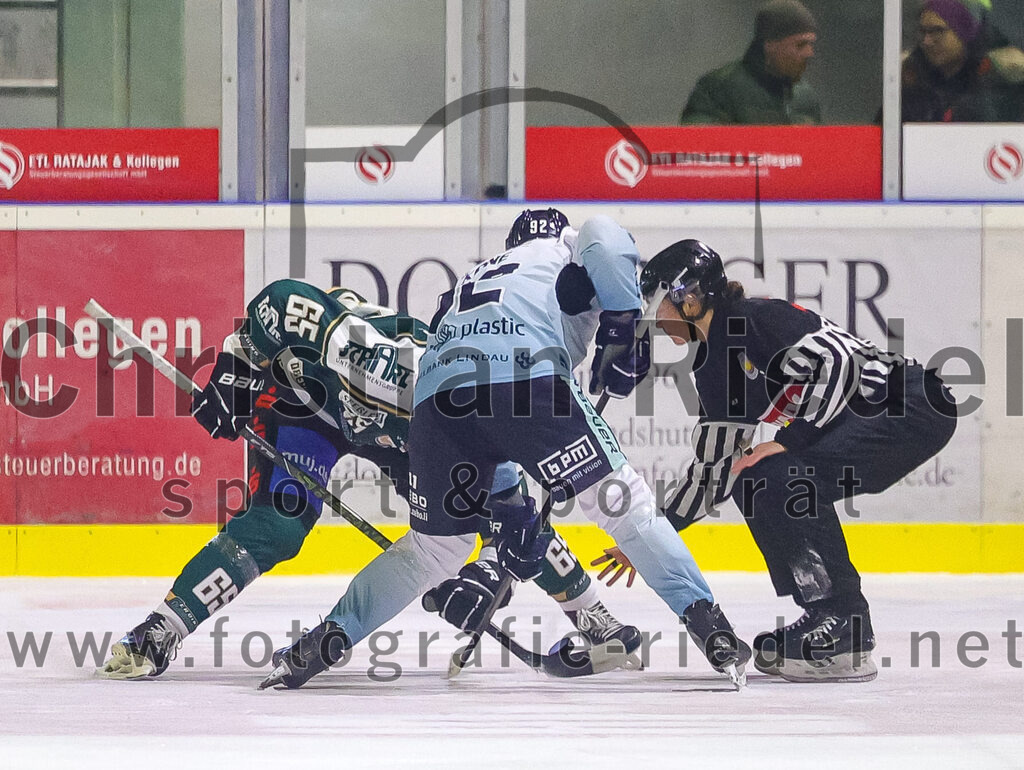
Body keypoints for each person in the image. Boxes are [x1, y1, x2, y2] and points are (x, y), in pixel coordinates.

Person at [99, 284, 639, 680]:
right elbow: (279, 305)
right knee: (280, 523)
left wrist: (481, 573)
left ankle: (593, 615)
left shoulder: (472, 420)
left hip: (405, 434)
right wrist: (233, 376)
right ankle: (160, 629)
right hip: (308, 406)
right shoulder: (365, 352)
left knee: (491, 512)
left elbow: (513, 517)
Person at [380, 209, 749, 689]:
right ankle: (690, 625)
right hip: (527, 387)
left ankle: (587, 615)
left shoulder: (491, 277)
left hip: (454, 403)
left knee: (521, 519)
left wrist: (489, 561)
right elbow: (605, 249)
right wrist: (622, 335)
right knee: (609, 504)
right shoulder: (571, 259)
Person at [633, 238, 957, 683]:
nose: (653, 320)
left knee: (780, 474)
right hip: (884, 413)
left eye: (657, 306)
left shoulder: (758, 319)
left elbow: (837, 362)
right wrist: (654, 537)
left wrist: (791, 439)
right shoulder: (711, 369)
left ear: (689, 297)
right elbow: (714, 471)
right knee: (757, 477)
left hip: (912, 402)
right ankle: (828, 614)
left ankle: (845, 623)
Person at [680, 0, 821, 125]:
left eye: (811, 44)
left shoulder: (805, 97)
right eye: (800, 45)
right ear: (770, 44)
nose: (810, 53)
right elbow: (697, 148)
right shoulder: (718, 89)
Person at [901, 0, 1023, 122]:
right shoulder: (912, 77)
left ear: (962, 33)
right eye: (923, 32)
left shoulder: (994, 78)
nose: (926, 41)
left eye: (937, 31)